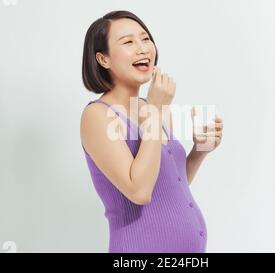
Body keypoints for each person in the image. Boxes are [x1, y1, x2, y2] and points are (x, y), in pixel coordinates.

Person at [80, 10, 224, 252]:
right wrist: (156, 109)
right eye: (128, 42)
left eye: (145, 39)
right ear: (103, 59)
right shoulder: (97, 115)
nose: (142, 48)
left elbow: (167, 184)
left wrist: (199, 151)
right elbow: (140, 190)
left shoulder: (154, 109)